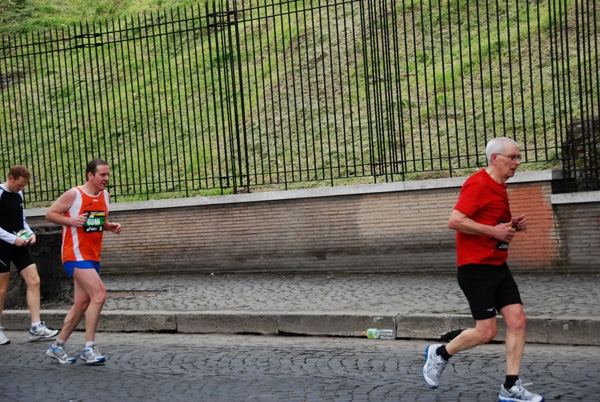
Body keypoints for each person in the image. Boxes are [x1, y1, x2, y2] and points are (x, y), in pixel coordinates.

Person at [423, 137, 544, 402]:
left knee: (518, 321)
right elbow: (455, 220)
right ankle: (440, 354)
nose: (517, 162)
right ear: (495, 158)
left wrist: (510, 226)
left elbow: (490, 224)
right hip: (475, 268)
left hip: (497, 265)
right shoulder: (478, 183)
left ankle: (510, 387)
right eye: (512, 157)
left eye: (518, 157)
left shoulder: (500, 187)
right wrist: (495, 230)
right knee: (486, 332)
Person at [44, 159, 122, 364]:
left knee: (81, 303)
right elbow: (50, 214)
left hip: (93, 255)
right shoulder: (74, 194)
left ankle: (57, 346)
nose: (106, 178)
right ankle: (89, 348)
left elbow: (97, 221)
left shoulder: (105, 195)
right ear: (90, 175)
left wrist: (109, 226)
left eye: (108, 175)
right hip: (74, 254)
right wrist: (71, 220)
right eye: (102, 175)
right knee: (99, 294)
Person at [0, 165, 59, 345]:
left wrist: (30, 233)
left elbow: (21, 219)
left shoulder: (19, 194)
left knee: (34, 280)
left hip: (20, 243)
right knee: (1, 289)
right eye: (19, 185)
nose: (21, 189)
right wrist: (12, 239)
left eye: (24, 186)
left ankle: (35, 327)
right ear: (10, 178)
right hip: (2, 245)